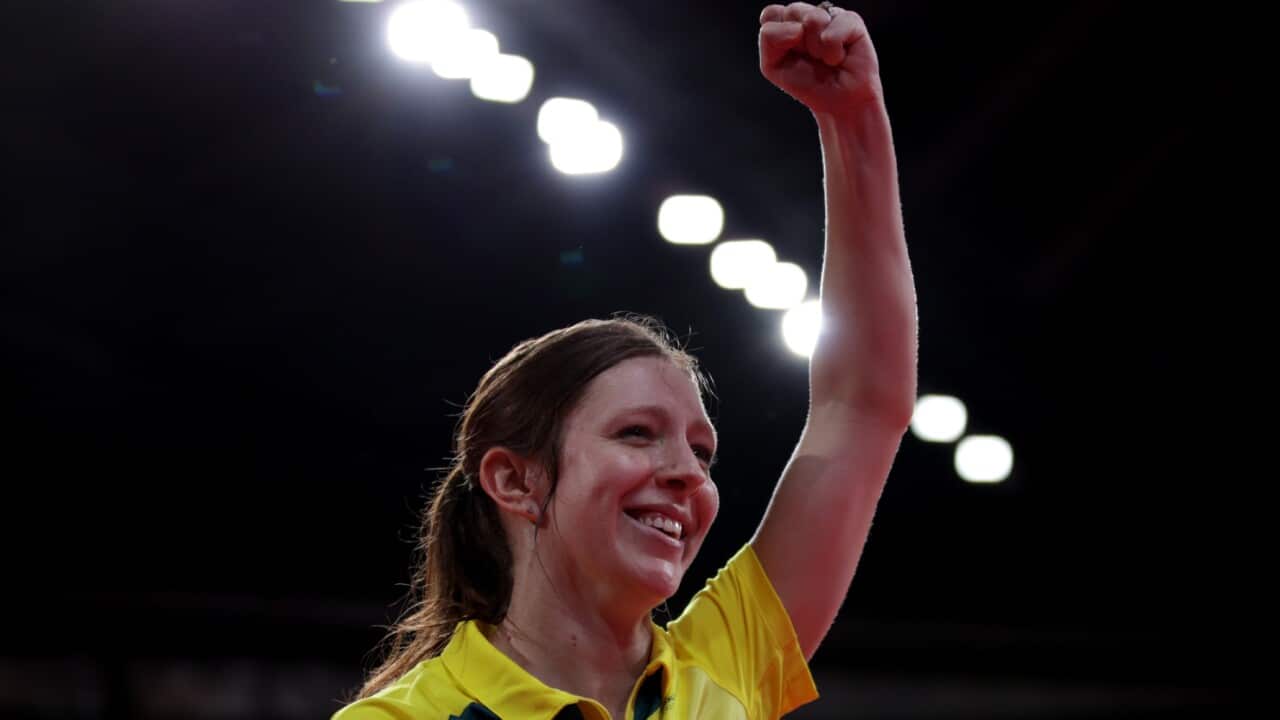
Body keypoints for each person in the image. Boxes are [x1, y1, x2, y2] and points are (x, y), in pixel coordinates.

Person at [334, 2, 917, 718]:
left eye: (703, 453)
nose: (686, 475)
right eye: (636, 433)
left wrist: (853, 119)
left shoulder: (727, 661)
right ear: (516, 479)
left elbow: (860, 407)